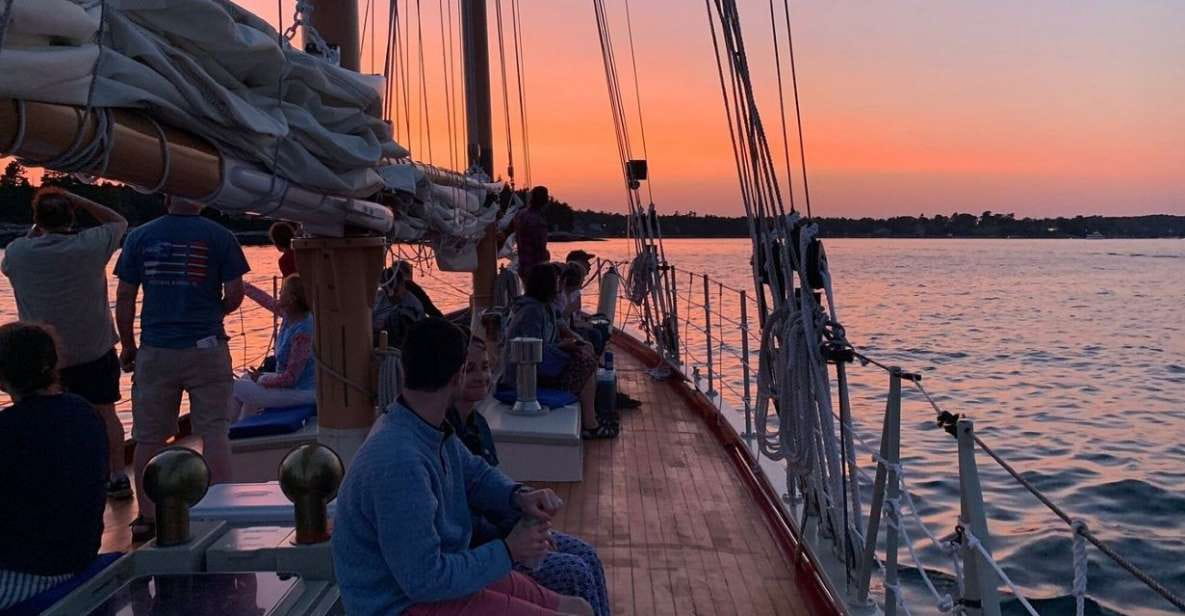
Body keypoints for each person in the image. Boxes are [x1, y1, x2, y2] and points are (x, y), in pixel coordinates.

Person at [333, 318, 594, 616]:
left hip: (439, 582)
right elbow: (424, 580)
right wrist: (509, 550)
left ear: (404, 370)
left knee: (578, 608)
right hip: (399, 604)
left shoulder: (424, 426)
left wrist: (518, 496)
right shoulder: (398, 461)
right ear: (459, 375)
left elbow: (474, 475)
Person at [114, 196, 250, 541]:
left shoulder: (139, 237)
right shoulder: (220, 236)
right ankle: (221, 511)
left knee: (148, 437)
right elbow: (236, 293)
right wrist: (214, 311)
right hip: (206, 347)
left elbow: (126, 296)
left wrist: (128, 344)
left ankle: (147, 516)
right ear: (201, 199)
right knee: (215, 433)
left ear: (166, 197)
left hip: (156, 349)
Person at [448, 337, 610, 616]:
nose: (480, 376)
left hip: (504, 531)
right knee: (574, 572)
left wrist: (527, 520)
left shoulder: (478, 424)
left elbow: (493, 486)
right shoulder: (445, 434)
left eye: (485, 367)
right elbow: (459, 513)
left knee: (587, 554)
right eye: (469, 368)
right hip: (481, 549)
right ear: (450, 376)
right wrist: (515, 534)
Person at [0, 187, 132, 499]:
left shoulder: (18, 252)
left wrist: (38, 226)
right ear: (71, 216)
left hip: (42, 356)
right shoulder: (90, 245)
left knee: (39, 418)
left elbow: (16, 257)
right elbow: (119, 221)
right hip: (93, 349)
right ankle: (116, 475)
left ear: (37, 220)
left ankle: (54, 478)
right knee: (105, 413)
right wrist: (82, 200)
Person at [0, 323, 107, 609]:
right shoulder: (84, 412)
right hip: (79, 557)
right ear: (53, 364)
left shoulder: (8, 431)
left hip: (26, 576)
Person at [503, 265, 617, 439]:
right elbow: (530, 348)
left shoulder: (545, 307)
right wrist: (564, 348)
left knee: (585, 355)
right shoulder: (531, 312)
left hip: (541, 365)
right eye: (557, 281)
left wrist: (577, 343)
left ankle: (594, 415)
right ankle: (590, 425)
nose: (560, 284)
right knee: (586, 364)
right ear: (547, 284)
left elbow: (558, 330)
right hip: (525, 376)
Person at [228, 274, 315, 421]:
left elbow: (290, 379)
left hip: (302, 392)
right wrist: (241, 285)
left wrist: (261, 379)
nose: (279, 294)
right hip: (292, 387)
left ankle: (228, 432)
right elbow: (266, 300)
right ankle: (241, 430)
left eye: (283, 291)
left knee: (234, 387)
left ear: (292, 299)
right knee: (245, 378)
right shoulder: (291, 316)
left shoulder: (303, 331)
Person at [373, 265, 426, 339]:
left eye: (396, 290)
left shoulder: (413, 307)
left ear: (403, 284)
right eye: (386, 291)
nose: (391, 295)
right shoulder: (378, 298)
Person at [514, 186, 551, 282]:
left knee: (528, 293)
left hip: (523, 264)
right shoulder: (538, 220)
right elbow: (540, 246)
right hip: (536, 268)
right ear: (545, 200)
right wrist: (546, 256)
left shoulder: (521, 214)